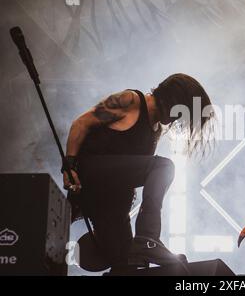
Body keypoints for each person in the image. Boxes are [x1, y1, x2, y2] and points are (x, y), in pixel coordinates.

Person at [62, 73, 214, 274]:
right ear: (173, 100)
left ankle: (141, 246)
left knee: (130, 265)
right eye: (180, 114)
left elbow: (128, 173)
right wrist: (69, 166)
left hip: (111, 198)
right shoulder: (130, 101)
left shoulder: (156, 129)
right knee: (164, 167)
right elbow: (81, 123)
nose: (178, 121)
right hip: (92, 172)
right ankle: (148, 238)